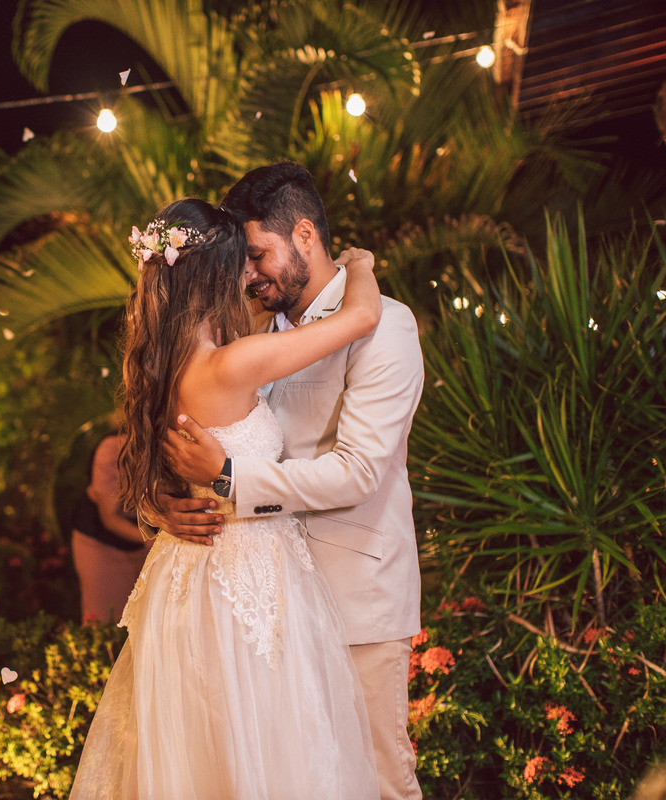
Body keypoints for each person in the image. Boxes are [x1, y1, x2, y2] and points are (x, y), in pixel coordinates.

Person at [70, 197, 383, 798]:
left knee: (208, 751)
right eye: (243, 262)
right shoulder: (233, 364)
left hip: (187, 576)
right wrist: (361, 264)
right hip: (250, 578)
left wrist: (163, 508)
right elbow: (361, 318)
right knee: (265, 747)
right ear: (216, 275)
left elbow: (153, 473)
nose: (252, 275)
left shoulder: (158, 368)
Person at [162, 162, 426, 800]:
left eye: (257, 254)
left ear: (304, 233)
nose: (248, 274)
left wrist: (227, 478)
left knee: (378, 779)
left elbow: (359, 470)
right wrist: (169, 510)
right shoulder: (248, 332)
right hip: (264, 602)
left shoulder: (384, 325)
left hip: (353, 598)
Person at [70, 431, 150, 624]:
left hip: (147, 539)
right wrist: (156, 539)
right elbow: (110, 519)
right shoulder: (112, 450)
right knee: (104, 619)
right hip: (101, 543)